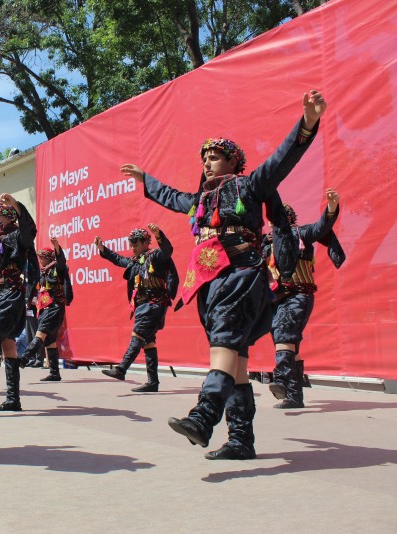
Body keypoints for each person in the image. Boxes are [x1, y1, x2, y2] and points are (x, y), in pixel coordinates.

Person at [121, 90, 327, 460]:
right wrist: (144, 178)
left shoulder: (249, 186)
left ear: (233, 160)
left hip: (241, 277)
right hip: (211, 282)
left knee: (224, 348)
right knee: (239, 364)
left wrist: (307, 124)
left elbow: (281, 160)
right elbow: (170, 196)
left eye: (215, 156)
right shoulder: (200, 200)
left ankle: (204, 416)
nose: (207, 162)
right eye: (204, 157)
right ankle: (241, 440)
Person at [265, 189, 344, 409]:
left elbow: (321, 228)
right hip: (276, 299)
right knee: (290, 346)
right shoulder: (266, 243)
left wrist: (331, 209)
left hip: (299, 294)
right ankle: (295, 397)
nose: (273, 224)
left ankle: (280, 380)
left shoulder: (300, 234)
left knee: (284, 336)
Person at [94, 224, 176, 392]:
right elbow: (118, 259)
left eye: (135, 244)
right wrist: (103, 248)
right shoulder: (134, 261)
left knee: (137, 335)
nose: (131, 247)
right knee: (148, 343)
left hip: (154, 304)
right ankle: (153, 382)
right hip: (142, 306)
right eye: (130, 244)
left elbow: (167, 250)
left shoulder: (156, 256)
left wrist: (159, 235)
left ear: (146, 243)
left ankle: (122, 369)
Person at [0, 193, 37, 411]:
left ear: (9, 217)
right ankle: (13, 399)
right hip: (2, 295)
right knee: (8, 344)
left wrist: (15, 204)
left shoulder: (17, 237)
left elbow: (29, 230)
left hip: (12, 294)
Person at [18, 237, 70, 382]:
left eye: (42, 258)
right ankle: (54, 373)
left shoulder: (58, 268)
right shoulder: (43, 272)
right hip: (45, 308)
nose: (40, 260)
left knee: (39, 335)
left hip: (54, 308)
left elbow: (61, 262)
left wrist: (57, 248)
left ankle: (23, 358)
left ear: (48, 258)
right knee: (50, 341)